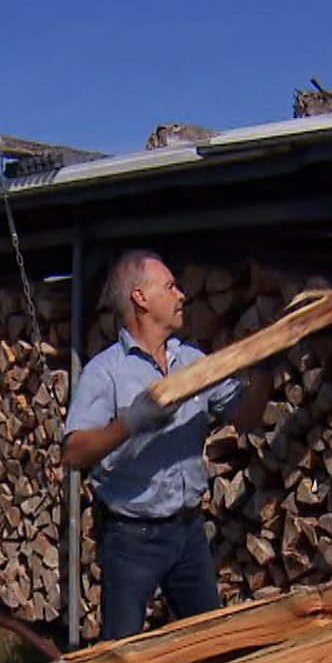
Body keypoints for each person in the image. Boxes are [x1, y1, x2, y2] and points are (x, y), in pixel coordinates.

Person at [63, 250, 273, 641]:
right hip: (131, 539)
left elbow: (246, 416)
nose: (182, 295)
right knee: (121, 653)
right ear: (140, 298)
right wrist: (129, 423)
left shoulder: (193, 363)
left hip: (188, 532)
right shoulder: (106, 371)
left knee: (208, 643)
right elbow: (73, 452)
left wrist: (265, 370)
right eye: (170, 286)